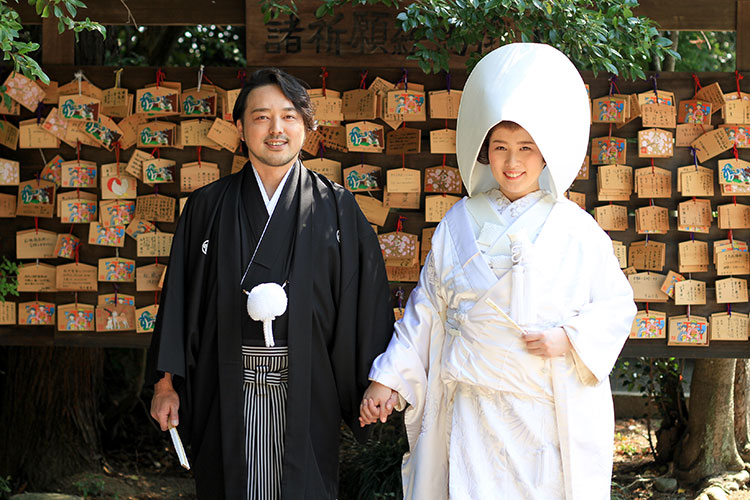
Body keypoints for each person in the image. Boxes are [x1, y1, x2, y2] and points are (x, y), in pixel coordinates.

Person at [359, 43, 637, 500]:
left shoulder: (576, 229)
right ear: (484, 151)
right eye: (501, 147)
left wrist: (569, 339)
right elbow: (427, 307)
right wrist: (388, 377)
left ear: (546, 154)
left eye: (527, 148)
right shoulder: (458, 222)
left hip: (544, 408)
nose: (513, 162)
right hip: (473, 407)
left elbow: (615, 305)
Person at [146, 68, 394, 500]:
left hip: (307, 386)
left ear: (307, 126)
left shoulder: (337, 208)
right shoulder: (208, 206)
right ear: (240, 128)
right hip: (225, 385)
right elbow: (180, 299)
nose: (276, 129)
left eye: (289, 116)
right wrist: (166, 383)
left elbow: (365, 300)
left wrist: (379, 379)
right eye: (261, 117)